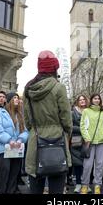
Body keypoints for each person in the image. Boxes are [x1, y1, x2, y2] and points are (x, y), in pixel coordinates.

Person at [24, 50, 72, 194]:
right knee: (57, 187)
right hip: (57, 139)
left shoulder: (28, 88)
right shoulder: (59, 87)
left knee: (35, 187)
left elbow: (27, 120)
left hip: (36, 139)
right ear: (54, 68)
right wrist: (66, 132)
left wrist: (35, 129)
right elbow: (66, 118)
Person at [0, 91, 28, 194]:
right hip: (4, 148)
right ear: (9, 101)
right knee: (4, 172)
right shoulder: (1, 113)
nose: (17, 99)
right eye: (14, 98)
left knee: (14, 173)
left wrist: (20, 139)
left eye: (17, 98)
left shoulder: (20, 115)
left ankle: (11, 191)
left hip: (17, 148)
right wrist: (9, 140)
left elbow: (25, 131)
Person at [80, 94, 103, 194]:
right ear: (91, 100)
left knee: (99, 165)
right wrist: (87, 138)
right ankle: (84, 185)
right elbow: (82, 126)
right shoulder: (86, 111)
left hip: (101, 142)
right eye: (95, 98)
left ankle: (97, 185)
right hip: (89, 142)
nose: (97, 100)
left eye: (98, 99)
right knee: (87, 165)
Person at [70, 94, 88, 193]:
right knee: (77, 163)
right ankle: (78, 184)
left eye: (83, 99)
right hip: (76, 139)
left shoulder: (89, 111)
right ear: (77, 101)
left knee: (87, 163)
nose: (82, 101)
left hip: (87, 139)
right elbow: (70, 126)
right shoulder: (73, 112)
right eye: (80, 100)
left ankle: (86, 184)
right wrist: (82, 129)